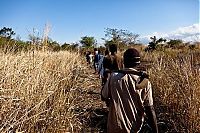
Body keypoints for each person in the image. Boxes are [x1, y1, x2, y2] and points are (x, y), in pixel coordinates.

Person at [101, 48, 158, 133]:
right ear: (138, 63)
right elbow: (150, 109)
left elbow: (103, 96)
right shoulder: (144, 81)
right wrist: (155, 130)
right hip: (135, 128)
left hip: (115, 127)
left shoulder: (113, 77)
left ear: (124, 62)